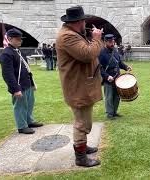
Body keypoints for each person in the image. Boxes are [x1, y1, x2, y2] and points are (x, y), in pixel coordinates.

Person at [56, 5, 103, 167]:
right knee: (82, 123)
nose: (85, 24)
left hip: (81, 84)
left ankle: (83, 146)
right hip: (78, 87)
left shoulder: (73, 33)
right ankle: (80, 157)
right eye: (83, 21)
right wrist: (96, 38)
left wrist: (90, 38)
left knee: (85, 120)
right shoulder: (68, 37)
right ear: (78, 22)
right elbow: (87, 54)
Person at [0, 28, 43, 134]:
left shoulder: (17, 51)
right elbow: (7, 74)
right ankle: (22, 126)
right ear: (9, 39)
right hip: (18, 86)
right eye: (17, 39)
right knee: (20, 106)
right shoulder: (7, 54)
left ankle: (29, 121)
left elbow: (26, 68)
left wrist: (32, 83)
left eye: (20, 39)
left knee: (29, 104)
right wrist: (15, 89)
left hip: (27, 83)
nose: (20, 41)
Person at [99, 34, 132, 119]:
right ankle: (109, 114)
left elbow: (119, 62)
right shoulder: (101, 53)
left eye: (113, 41)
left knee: (117, 96)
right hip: (108, 79)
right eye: (110, 42)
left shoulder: (115, 50)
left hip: (118, 78)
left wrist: (126, 67)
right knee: (109, 97)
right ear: (105, 42)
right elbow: (99, 68)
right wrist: (107, 76)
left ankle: (114, 112)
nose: (112, 43)